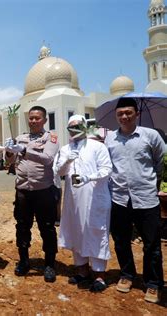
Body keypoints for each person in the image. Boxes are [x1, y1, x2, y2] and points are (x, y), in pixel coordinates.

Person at [105, 97, 166, 304]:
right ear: (116, 115)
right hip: (119, 198)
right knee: (121, 241)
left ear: (136, 114)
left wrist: (154, 184)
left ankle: (153, 284)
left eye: (128, 113)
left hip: (146, 198)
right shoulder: (110, 139)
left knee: (152, 245)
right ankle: (127, 274)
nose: (124, 116)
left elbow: (161, 162)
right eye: (120, 113)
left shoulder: (151, 136)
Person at [53, 115, 112, 292]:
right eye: (70, 127)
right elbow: (58, 172)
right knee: (76, 231)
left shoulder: (98, 146)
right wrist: (67, 160)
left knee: (96, 232)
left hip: (95, 198)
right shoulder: (65, 149)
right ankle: (82, 272)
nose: (74, 129)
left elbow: (107, 169)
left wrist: (89, 177)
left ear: (85, 127)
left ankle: (99, 275)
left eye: (78, 125)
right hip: (74, 200)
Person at [5, 105, 60, 282]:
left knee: (47, 228)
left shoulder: (51, 138)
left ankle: (50, 264)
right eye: (31, 118)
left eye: (37, 118)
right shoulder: (21, 138)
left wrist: (24, 151)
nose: (33, 121)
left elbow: (48, 159)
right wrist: (9, 151)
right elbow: (10, 161)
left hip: (43, 190)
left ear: (44, 120)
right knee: (22, 226)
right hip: (23, 191)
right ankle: (23, 261)